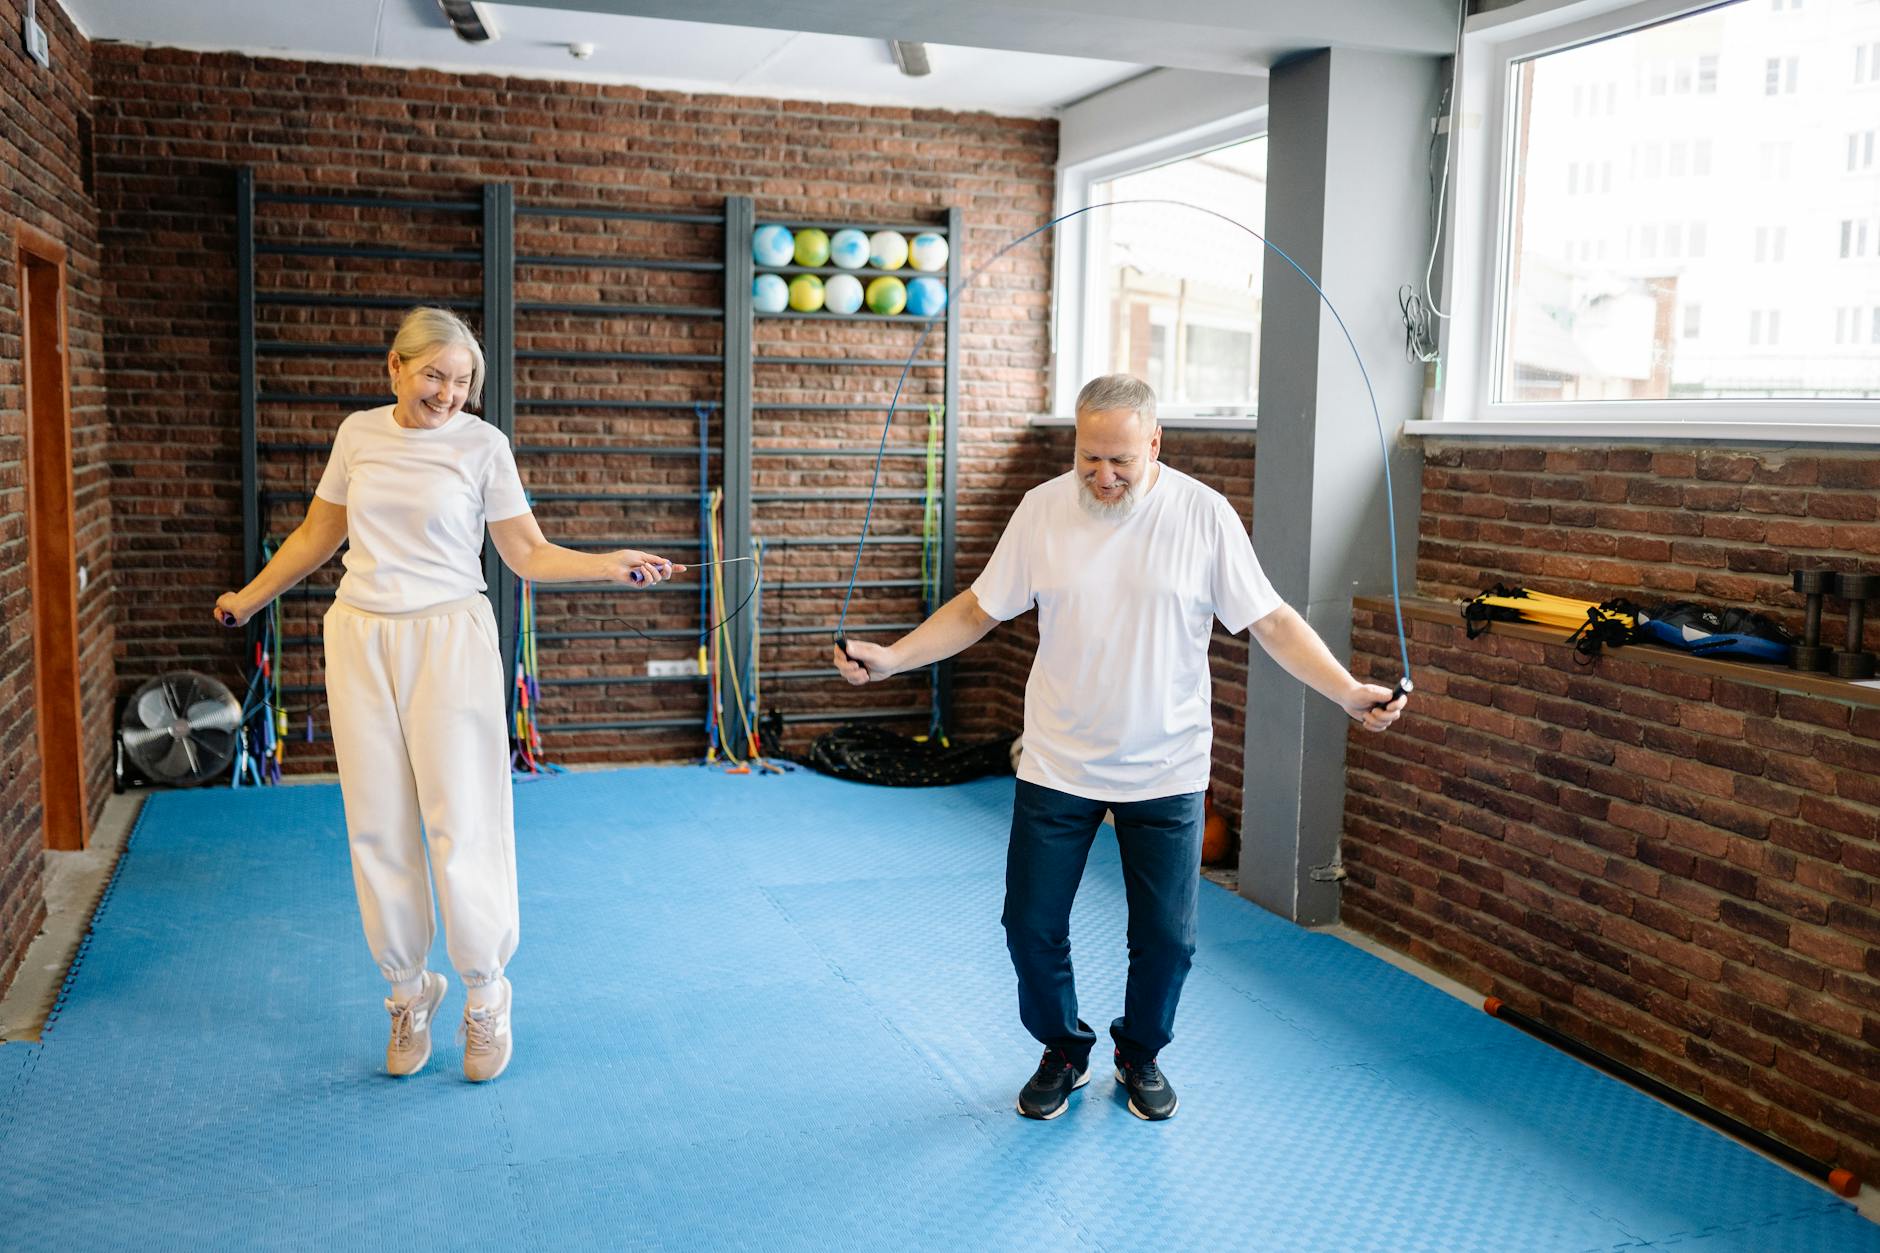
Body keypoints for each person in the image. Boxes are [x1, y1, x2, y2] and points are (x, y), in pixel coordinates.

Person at [833, 374, 1406, 1122]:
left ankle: (1140, 1054)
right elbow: (979, 606)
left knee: (1167, 941)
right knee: (1030, 926)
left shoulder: (1202, 514)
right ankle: (1064, 1051)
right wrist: (894, 656)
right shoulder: (1042, 510)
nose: (1103, 476)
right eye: (1089, 458)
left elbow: (1269, 620)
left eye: (1121, 461)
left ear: (1155, 443)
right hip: (1058, 760)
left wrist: (1344, 689)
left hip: (1166, 765)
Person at [215, 307, 681, 1082]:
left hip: (449, 638)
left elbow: (525, 552)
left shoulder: (482, 446)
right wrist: (253, 596)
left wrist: (607, 563)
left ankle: (485, 992)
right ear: (393, 367)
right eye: (433, 373)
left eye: (462, 380)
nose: (448, 392)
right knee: (377, 823)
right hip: (360, 638)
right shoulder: (358, 435)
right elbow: (317, 534)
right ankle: (406, 990)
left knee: (461, 821)